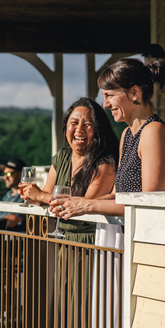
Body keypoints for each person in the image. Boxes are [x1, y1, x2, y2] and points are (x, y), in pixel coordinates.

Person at [50, 57, 165, 328]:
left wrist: (88, 207)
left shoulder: (155, 133)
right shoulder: (128, 136)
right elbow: (121, 196)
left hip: (132, 245)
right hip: (111, 239)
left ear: (135, 93)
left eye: (110, 95)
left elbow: (149, 201)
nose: (106, 105)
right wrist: (80, 202)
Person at [19, 98, 117, 243]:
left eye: (88, 124)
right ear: (66, 128)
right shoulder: (62, 157)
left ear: (98, 130)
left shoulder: (105, 163)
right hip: (62, 237)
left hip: (90, 241)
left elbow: (85, 204)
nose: (79, 130)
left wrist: (40, 196)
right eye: (74, 123)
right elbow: (47, 194)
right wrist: (34, 196)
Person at [0, 157, 26, 230]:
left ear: (21, 174)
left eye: (9, 174)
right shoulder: (8, 194)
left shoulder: (25, 196)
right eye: (4, 174)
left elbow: (11, 221)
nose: (5, 177)